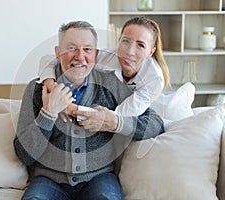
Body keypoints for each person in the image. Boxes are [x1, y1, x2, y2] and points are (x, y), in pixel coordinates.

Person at [14, 20, 164, 200]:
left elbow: (156, 124)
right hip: (48, 180)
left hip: (99, 179)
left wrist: (115, 122)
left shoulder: (113, 85)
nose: (80, 56)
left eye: (87, 49)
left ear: (96, 55)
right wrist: (49, 113)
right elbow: (24, 155)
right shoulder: (37, 89)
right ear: (57, 52)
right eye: (71, 48)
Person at [38, 16, 170, 116]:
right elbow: (50, 58)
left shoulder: (154, 79)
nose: (129, 52)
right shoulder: (106, 57)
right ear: (118, 41)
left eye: (140, 45)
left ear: (150, 52)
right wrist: (49, 82)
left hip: (146, 111)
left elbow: (118, 117)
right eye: (126, 41)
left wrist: (71, 108)